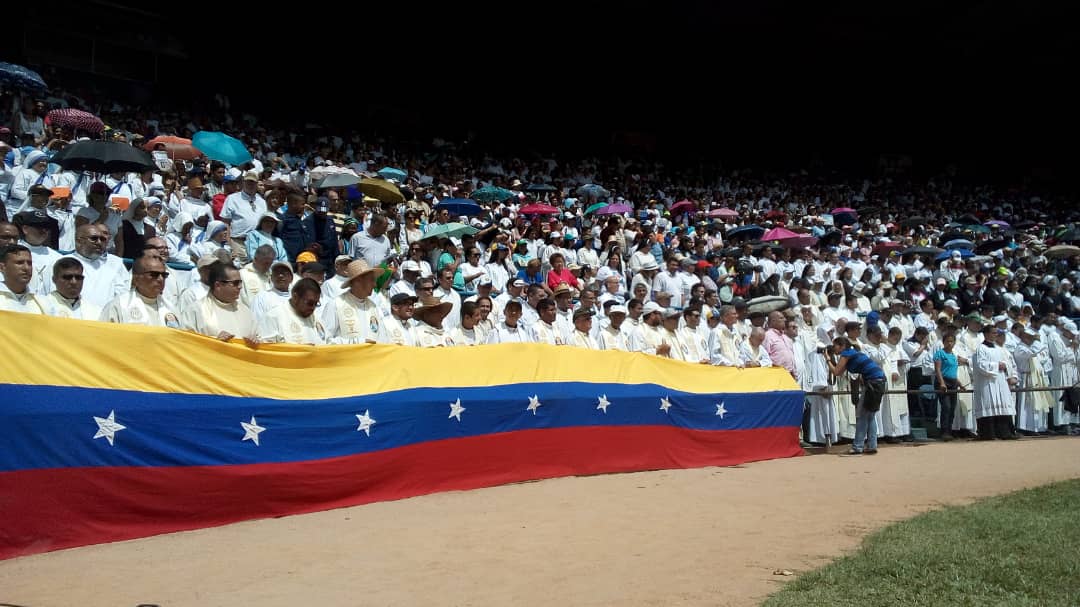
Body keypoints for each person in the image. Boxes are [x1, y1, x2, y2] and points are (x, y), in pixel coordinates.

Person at [824, 336, 888, 455]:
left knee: (862, 415)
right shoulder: (852, 352)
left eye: (835, 346)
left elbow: (837, 372)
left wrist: (827, 359)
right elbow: (841, 371)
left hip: (872, 383)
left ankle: (858, 446)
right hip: (879, 381)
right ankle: (872, 445)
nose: (834, 349)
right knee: (870, 415)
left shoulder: (846, 353)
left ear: (842, 346)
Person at [180, 262, 257, 343]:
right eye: (235, 283)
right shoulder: (195, 310)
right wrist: (214, 341)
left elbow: (258, 335)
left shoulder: (245, 310)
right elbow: (186, 343)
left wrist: (255, 340)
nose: (240, 287)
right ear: (218, 285)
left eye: (240, 282)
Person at [100, 256, 180, 327]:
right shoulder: (118, 306)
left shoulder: (171, 308)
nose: (160, 279)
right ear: (136, 279)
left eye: (164, 275)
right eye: (154, 274)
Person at [321, 259, 386, 345]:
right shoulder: (335, 305)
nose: (374, 285)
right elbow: (324, 340)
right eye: (371, 280)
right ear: (358, 281)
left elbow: (383, 338)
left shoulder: (373, 307)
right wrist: (356, 343)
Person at [972, 324, 1018, 440]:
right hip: (987, 383)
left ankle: (1005, 433)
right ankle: (989, 434)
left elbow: (1007, 363)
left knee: (1002, 406)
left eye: (996, 333)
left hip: (1000, 382)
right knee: (989, 406)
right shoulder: (981, 349)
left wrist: (1005, 367)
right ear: (986, 334)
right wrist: (997, 365)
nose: (996, 335)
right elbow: (980, 365)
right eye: (993, 333)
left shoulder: (998, 348)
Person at [256, 278, 326, 345]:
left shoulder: (315, 318)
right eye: (310, 303)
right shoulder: (273, 317)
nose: (313, 308)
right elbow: (266, 350)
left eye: (316, 304)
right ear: (295, 297)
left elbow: (327, 341)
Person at [0, 244, 44, 314]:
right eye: (19, 263)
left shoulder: (42, 303)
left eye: (29, 263)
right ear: (2, 267)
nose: (26, 268)